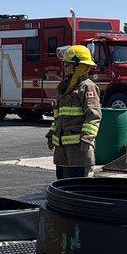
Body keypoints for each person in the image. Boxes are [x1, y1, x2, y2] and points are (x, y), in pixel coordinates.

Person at [47, 45, 102, 178]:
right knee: (62, 185)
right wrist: (51, 135)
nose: (64, 67)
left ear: (78, 67)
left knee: (79, 186)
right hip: (62, 149)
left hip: (79, 149)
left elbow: (93, 116)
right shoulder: (66, 89)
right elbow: (59, 116)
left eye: (67, 64)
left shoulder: (87, 87)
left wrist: (87, 139)